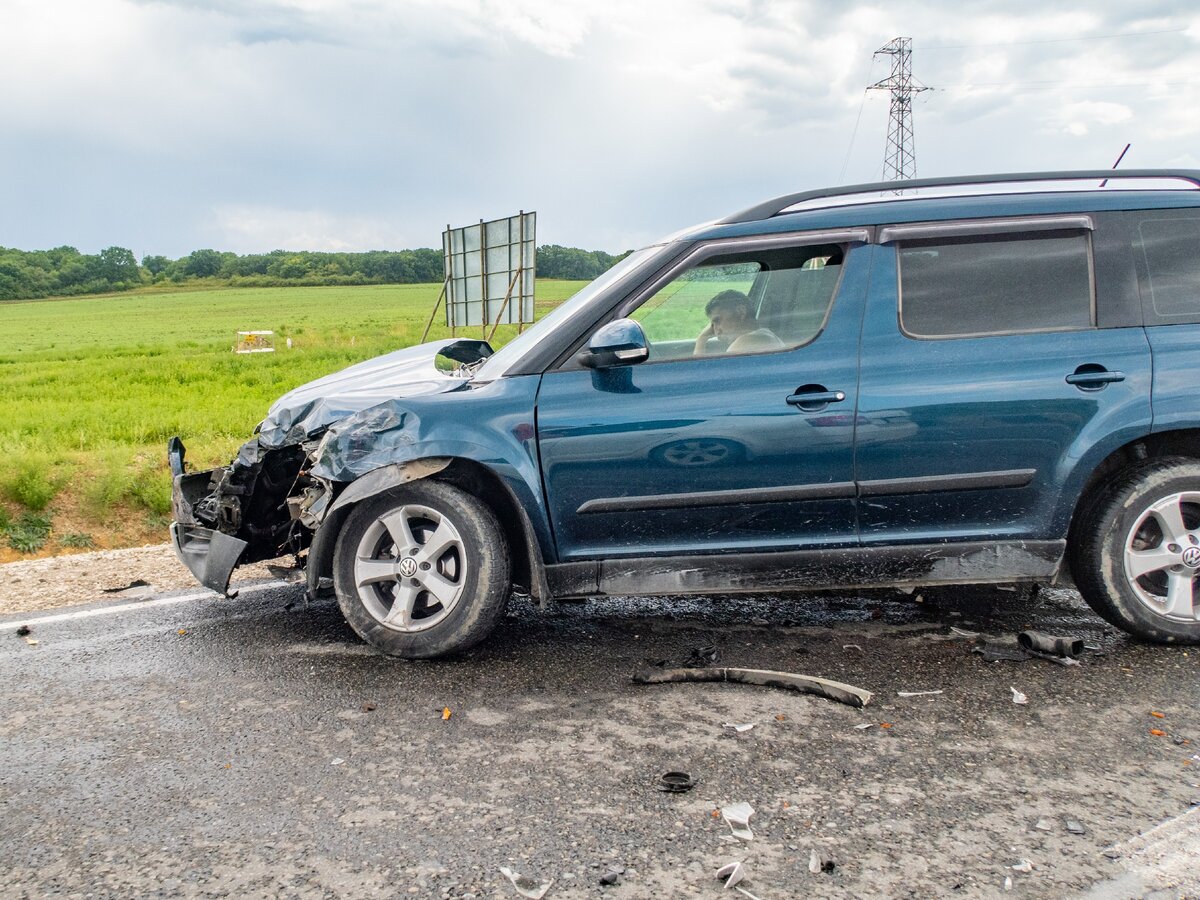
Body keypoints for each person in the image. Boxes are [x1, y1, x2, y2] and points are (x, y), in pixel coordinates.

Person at [693, 290, 784, 356]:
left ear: (741, 311)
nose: (716, 332)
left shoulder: (749, 341)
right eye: (713, 325)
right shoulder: (765, 334)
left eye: (718, 320)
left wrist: (701, 340)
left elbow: (702, 378)